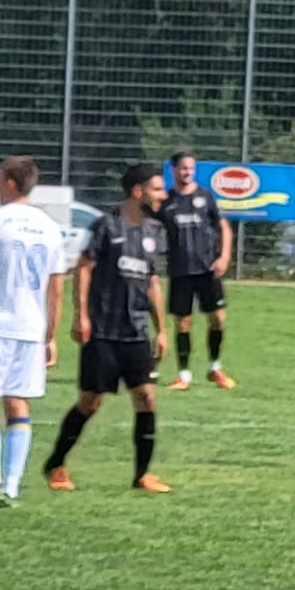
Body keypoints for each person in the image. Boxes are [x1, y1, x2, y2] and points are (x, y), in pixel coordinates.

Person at [43, 163, 173, 493]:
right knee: (91, 401)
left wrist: (161, 330)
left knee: (146, 398)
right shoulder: (106, 225)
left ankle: (142, 475)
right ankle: (56, 464)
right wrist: (81, 316)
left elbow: (152, 282)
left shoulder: (155, 231)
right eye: (157, 189)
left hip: (136, 332)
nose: (163, 195)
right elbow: (84, 268)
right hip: (102, 331)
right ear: (138, 192)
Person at [0, 156, 67, 508]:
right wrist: (50, 336)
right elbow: (56, 288)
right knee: (18, 402)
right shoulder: (49, 227)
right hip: (31, 329)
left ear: (8, 182)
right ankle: (12, 487)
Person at [159, 151, 236, 390]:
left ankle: (215, 368)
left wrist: (224, 256)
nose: (188, 172)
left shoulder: (205, 196)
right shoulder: (166, 201)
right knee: (183, 323)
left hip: (207, 270)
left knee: (217, 319)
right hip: (180, 271)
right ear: (173, 170)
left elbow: (224, 227)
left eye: (191, 168)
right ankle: (184, 375)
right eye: (183, 168)